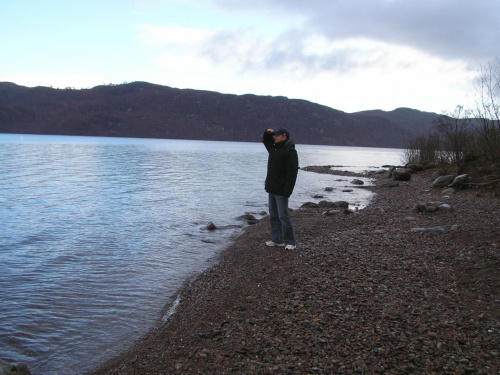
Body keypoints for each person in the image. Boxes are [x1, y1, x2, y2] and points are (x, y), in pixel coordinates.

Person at [262, 128, 299, 250]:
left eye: (277, 135)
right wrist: (268, 133)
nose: (275, 137)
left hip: (282, 190)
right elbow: (265, 140)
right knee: (273, 215)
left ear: (284, 137)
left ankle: (290, 242)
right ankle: (277, 240)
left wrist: (288, 191)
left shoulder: (290, 151)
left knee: (284, 216)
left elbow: (292, 173)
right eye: (275, 135)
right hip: (272, 188)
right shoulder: (274, 148)